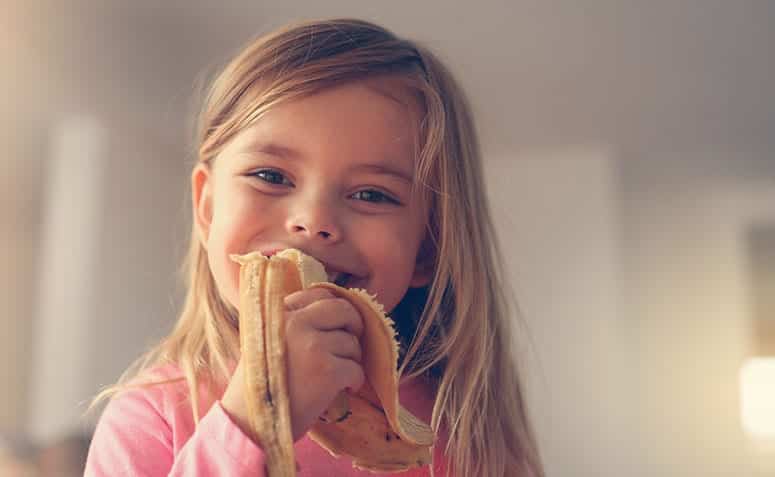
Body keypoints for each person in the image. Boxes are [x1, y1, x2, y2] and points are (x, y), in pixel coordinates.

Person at [85, 18, 544, 477]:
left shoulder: (461, 435)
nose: (315, 221)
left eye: (371, 194)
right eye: (270, 176)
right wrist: (250, 422)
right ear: (207, 209)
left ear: (428, 248)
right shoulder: (151, 421)